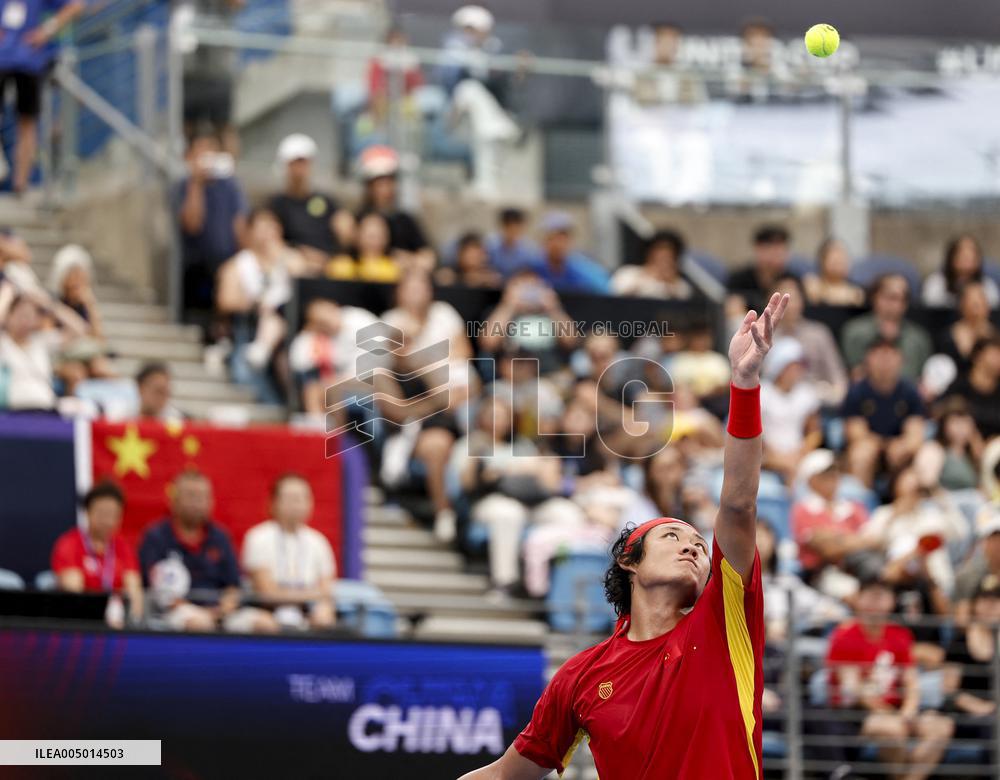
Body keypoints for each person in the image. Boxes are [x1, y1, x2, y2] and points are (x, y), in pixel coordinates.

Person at [460, 292, 790, 780]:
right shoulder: (582, 677)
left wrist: (744, 384)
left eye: (699, 544)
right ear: (629, 562)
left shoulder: (725, 620)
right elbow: (507, 775)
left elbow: (739, 503)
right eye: (673, 536)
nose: (694, 546)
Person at [822, 575, 954, 780]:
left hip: (897, 710)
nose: (876, 600)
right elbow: (854, 690)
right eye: (871, 595)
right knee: (890, 730)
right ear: (858, 599)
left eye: (882, 595)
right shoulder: (843, 635)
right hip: (858, 715)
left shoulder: (900, 634)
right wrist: (894, 716)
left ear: (892, 601)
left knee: (941, 726)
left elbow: (910, 681)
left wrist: (908, 711)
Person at [380, 269, 476, 542]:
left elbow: (463, 354)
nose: (415, 292)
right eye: (409, 287)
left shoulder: (444, 313)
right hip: (414, 401)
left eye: (421, 286)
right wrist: (429, 367)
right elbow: (399, 362)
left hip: (452, 402)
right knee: (435, 445)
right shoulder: (391, 321)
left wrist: (429, 364)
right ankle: (443, 511)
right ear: (399, 292)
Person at [140, 470, 278, 633]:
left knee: (265, 624)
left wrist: (225, 607)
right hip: (173, 612)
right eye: (190, 496)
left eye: (201, 497)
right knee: (200, 624)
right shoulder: (157, 537)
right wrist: (201, 613)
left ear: (210, 502)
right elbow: (159, 591)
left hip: (220, 612)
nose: (196, 503)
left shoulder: (220, 537)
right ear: (174, 501)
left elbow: (233, 585)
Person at [216, 208, 306, 404]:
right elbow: (226, 300)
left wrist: (281, 256)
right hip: (251, 327)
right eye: (262, 227)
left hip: (290, 327)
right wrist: (257, 304)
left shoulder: (290, 257)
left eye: (272, 227)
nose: (268, 233)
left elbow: (304, 283)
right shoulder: (238, 264)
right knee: (247, 371)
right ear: (250, 232)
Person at [0, 0, 83, 193]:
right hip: (2, 61)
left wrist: (47, 30)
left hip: (29, 62)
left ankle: (20, 186)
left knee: (27, 123)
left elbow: (75, 6)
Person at [241, 474, 337, 630]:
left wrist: (320, 606)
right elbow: (267, 592)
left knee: (325, 617)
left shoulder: (319, 542)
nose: (296, 504)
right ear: (274, 502)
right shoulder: (258, 537)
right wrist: (311, 594)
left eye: (301, 498)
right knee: (265, 624)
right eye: (291, 498)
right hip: (264, 611)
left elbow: (326, 592)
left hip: (307, 613)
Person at [176, 127, 248, 313]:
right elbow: (192, 224)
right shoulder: (184, 186)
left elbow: (240, 225)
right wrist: (197, 183)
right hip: (196, 267)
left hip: (226, 262)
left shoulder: (230, 185)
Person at [51, 481, 143, 624]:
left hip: (119, 617)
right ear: (87, 512)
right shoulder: (69, 543)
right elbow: (74, 592)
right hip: (83, 621)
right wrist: (104, 611)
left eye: (114, 515)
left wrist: (133, 619)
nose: (108, 521)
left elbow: (134, 590)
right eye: (102, 513)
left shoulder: (123, 547)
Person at [790, 449, 876, 599]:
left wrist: (837, 539)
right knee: (857, 594)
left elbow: (874, 540)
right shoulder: (803, 510)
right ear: (811, 479)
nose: (833, 478)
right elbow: (827, 551)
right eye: (826, 475)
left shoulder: (854, 506)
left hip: (861, 569)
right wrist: (854, 539)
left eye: (835, 473)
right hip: (822, 574)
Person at [842, 339, 927, 489]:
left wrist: (903, 446)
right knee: (862, 452)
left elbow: (915, 435)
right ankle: (861, 502)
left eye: (890, 356)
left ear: (900, 359)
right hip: (871, 449)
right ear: (868, 359)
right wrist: (886, 446)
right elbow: (856, 434)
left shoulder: (910, 392)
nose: (885, 362)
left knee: (923, 455)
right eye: (879, 356)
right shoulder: (857, 392)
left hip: (899, 454)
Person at [268, 133, 353, 273]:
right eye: (295, 163)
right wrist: (302, 253)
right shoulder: (277, 204)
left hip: (332, 265)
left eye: (304, 162)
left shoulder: (325, 201)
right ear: (285, 167)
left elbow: (345, 231)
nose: (300, 169)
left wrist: (347, 228)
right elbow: (272, 240)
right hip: (294, 266)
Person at [0, 285, 87, 410]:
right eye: (20, 314)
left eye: (29, 315)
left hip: (45, 407)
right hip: (13, 411)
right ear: (9, 316)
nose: (24, 321)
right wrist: (6, 297)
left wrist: (49, 304)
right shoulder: (3, 342)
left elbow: (79, 329)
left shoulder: (42, 341)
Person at [942, 575, 999, 763]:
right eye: (985, 600)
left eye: (996, 600)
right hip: (966, 715)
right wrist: (980, 707)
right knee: (992, 728)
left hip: (994, 712)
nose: (991, 606)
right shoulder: (959, 641)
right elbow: (949, 691)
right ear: (975, 605)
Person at [479, 268, 578, 376]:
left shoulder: (552, 314)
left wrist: (554, 308)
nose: (529, 294)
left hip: (549, 376)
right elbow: (488, 342)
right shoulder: (501, 313)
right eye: (523, 288)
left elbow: (571, 341)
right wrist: (508, 306)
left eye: (534, 288)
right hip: (510, 377)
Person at [289, 298, 378, 416]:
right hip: (340, 382)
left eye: (328, 315)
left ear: (335, 308)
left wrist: (339, 380)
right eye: (320, 323)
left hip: (372, 379)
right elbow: (297, 362)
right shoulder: (322, 336)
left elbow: (377, 362)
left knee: (326, 389)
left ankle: (333, 432)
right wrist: (309, 333)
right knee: (313, 388)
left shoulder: (359, 320)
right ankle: (319, 429)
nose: (328, 323)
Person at [771, 274, 848, 406]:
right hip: (774, 404)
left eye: (793, 298)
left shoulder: (819, 333)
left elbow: (838, 378)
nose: (788, 305)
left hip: (817, 404)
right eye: (781, 299)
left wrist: (833, 395)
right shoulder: (764, 335)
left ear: (802, 301)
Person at [355, 145, 435, 271]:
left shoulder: (405, 221)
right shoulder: (358, 219)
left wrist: (407, 261)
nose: (386, 188)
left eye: (390, 181)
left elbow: (428, 256)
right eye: (380, 182)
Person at [841, 274, 932, 382]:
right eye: (890, 297)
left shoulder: (919, 337)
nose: (896, 304)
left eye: (902, 299)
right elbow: (852, 373)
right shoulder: (854, 332)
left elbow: (924, 379)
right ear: (875, 297)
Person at [760, 338, 821, 483]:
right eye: (792, 366)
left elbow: (815, 432)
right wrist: (776, 457)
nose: (797, 371)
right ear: (779, 366)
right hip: (764, 456)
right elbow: (755, 433)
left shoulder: (807, 393)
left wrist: (800, 454)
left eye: (799, 366)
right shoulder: (761, 392)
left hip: (799, 456)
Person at [914, 396, 983, 492]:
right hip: (940, 504)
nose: (961, 428)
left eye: (965, 422)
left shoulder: (972, 453)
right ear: (944, 425)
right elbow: (926, 484)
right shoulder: (934, 450)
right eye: (955, 422)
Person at [530, 211, 610, 294]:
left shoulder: (584, 268)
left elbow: (605, 290)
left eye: (562, 239)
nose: (557, 244)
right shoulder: (534, 266)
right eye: (552, 238)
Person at [942, 336, 1000, 440]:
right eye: (995, 354)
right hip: (962, 445)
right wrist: (972, 436)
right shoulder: (959, 386)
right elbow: (941, 411)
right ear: (977, 356)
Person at [727, 225, 794, 313]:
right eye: (771, 248)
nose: (778, 254)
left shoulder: (792, 280)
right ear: (758, 249)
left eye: (781, 248)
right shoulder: (738, 280)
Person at [610, 229, 694, 299]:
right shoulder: (628, 273)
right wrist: (646, 276)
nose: (663, 257)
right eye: (659, 251)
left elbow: (684, 297)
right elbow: (616, 294)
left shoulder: (679, 284)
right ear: (649, 252)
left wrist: (670, 283)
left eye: (669, 253)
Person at [937, 280, 998, 374]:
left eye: (981, 302)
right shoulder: (947, 338)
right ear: (961, 305)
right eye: (973, 304)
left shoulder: (996, 335)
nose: (976, 310)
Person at [922, 235, 1000, 309]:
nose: (967, 260)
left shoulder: (988, 287)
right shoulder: (935, 284)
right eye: (962, 255)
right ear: (951, 257)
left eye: (971, 256)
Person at [326, 212, 401, 283]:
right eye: (370, 235)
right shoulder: (341, 266)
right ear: (356, 234)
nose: (374, 241)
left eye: (379, 235)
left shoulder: (394, 269)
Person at [803, 238, 865, 307]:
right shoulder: (812, 284)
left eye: (843, 258)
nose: (840, 261)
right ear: (822, 260)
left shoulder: (857, 290)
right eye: (835, 260)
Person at [485, 208, 542, 278]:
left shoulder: (530, 249)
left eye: (516, 227)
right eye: (509, 227)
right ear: (502, 226)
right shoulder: (491, 245)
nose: (513, 231)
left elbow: (532, 271)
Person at [436, 232, 502, 288]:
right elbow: (442, 278)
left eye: (479, 253)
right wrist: (466, 278)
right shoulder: (451, 270)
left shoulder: (488, 274)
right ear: (461, 254)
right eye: (471, 254)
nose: (477, 257)